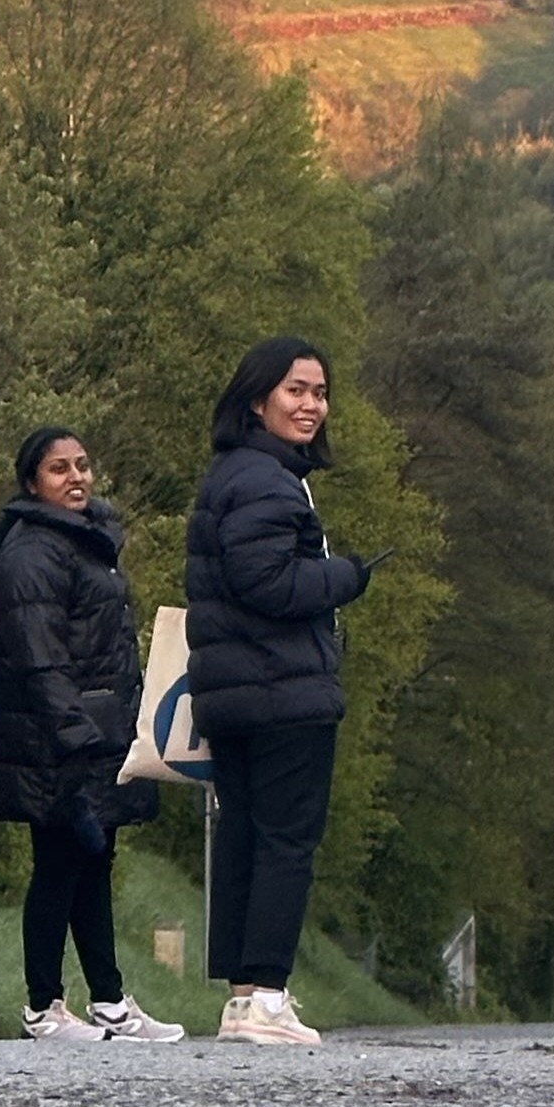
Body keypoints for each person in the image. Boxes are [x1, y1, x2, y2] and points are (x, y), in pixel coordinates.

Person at [185, 335, 373, 1047]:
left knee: (243, 837)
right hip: (281, 688)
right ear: (257, 397)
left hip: (234, 688)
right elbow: (267, 581)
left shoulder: (232, 473)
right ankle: (266, 995)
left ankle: (243, 997)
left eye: (320, 392)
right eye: (296, 389)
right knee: (285, 841)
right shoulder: (266, 479)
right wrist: (346, 576)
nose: (312, 405)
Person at [0, 425, 185, 1043]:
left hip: (97, 730)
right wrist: (74, 732)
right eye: (59, 469)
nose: (76, 478)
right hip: (55, 738)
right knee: (58, 865)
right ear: (31, 483)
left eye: (83, 465)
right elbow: (38, 655)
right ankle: (43, 1006)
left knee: (94, 861)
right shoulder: (31, 553)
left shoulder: (87, 544)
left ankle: (109, 1001)